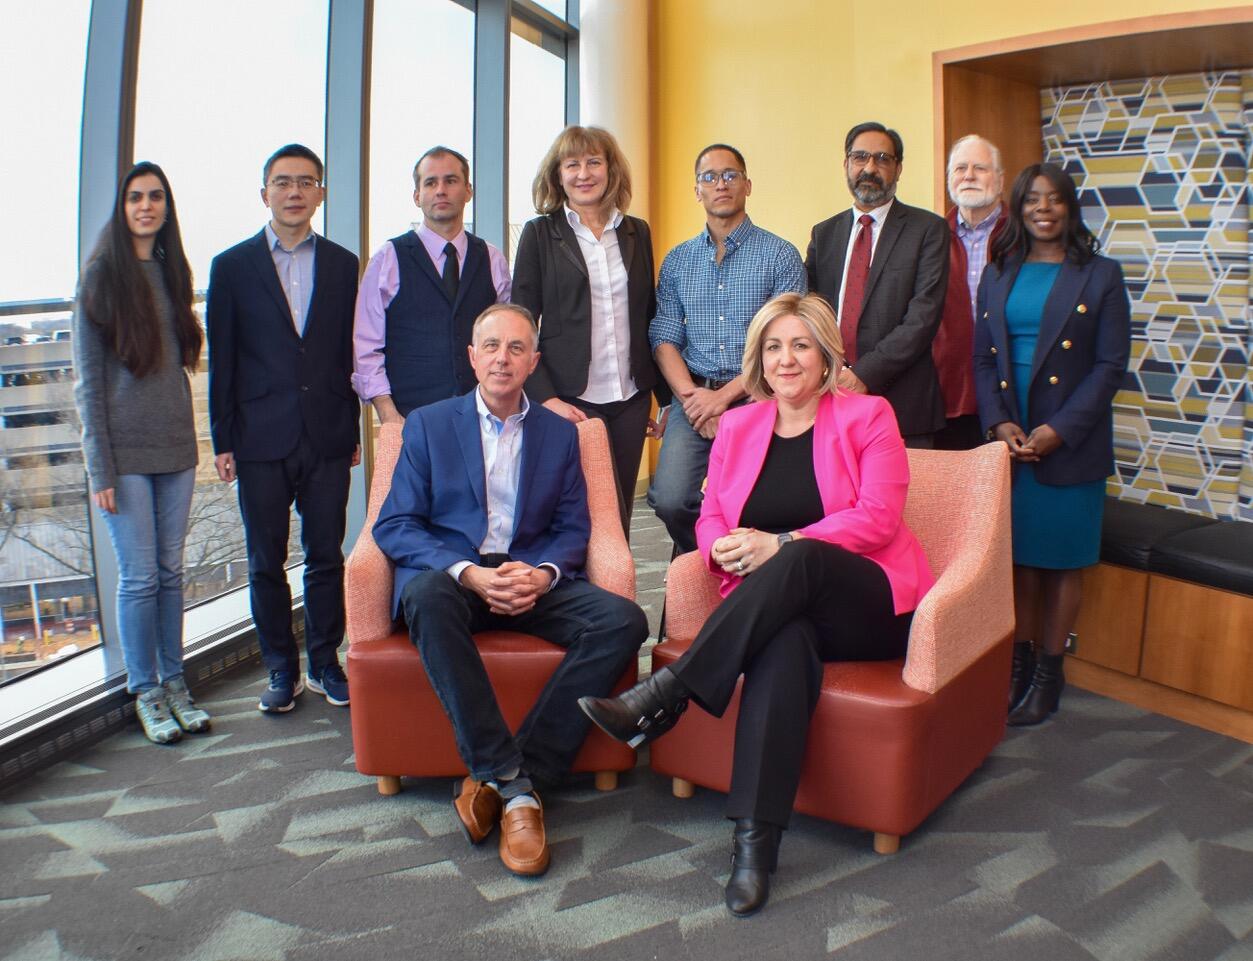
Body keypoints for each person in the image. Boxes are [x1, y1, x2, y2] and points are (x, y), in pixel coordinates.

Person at [582, 293, 934, 917]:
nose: (786, 359)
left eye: (800, 345)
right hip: (784, 609)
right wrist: (724, 547)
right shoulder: (740, 425)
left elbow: (879, 519)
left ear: (826, 356)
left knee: (797, 559)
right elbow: (710, 513)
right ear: (758, 360)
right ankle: (754, 845)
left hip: (870, 603)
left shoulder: (869, 415)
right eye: (773, 347)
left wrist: (783, 543)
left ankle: (667, 693)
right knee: (782, 641)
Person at [373, 304, 648, 878]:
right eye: (492, 346)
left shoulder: (558, 433)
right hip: (459, 580)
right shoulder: (426, 424)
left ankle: (511, 775)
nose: (503, 357)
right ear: (472, 357)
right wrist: (468, 573)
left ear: (534, 361)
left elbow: (576, 526)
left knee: (624, 621)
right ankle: (518, 789)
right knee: (423, 595)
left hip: (527, 576)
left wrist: (543, 573)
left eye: (517, 348)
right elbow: (395, 524)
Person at [973, 163, 1130, 725]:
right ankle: (1016, 664)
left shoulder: (1102, 275)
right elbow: (984, 359)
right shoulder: (998, 271)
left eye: (1055, 199)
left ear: (1070, 207)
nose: (1044, 208)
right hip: (1011, 440)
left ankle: (1048, 674)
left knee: (1062, 563)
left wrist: (1058, 431)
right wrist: (998, 425)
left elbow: (1111, 367)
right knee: (1016, 563)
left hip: (1071, 440)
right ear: (1018, 209)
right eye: (1033, 199)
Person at [207, 144, 361, 714]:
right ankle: (281, 667)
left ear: (320, 192)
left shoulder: (346, 265)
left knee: (326, 555)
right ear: (264, 192)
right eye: (283, 182)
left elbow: (354, 352)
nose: (294, 192)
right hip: (258, 438)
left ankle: (325, 662)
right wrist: (222, 438)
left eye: (306, 182)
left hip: (325, 434)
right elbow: (222, 357)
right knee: (263, 560)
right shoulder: (231, 267)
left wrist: (351, 431)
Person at [72, 161, 210, 744]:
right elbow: (87, 383)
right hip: (123, 457)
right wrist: (99, 466)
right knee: (138, 579)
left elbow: (180, 368)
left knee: (171, 573)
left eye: (156, 197)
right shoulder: (102, 277)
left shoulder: (171, 271)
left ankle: (176, 682)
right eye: (135, 197)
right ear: (122, 207)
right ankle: (146, 691)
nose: (146, 206)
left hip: (176, 448)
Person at [648, 143, 806, 554]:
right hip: (694, 397)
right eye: (709, 177)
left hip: (759, 396)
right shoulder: (678, 261)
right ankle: (708, 563)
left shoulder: (779, 255)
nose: (721, 184)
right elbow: (664, 337)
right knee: (669, 498)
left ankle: (738, 576)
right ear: (696, 190)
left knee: (755, 502)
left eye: (731, 175)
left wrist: (722, 398)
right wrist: (694, 399)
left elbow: (786, 340)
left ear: (748, 185)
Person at [512, 125, 666, 536]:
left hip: (630, 398)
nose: (584, 173)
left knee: (619, 514)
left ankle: (614, 598)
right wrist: (546, 398)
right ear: (557, 174)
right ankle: (576, 597)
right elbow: (521, 324)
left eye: (594, 162)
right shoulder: (540, 234)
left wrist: (663, 400)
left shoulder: (637, 231)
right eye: (572, 163)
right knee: (575, 511)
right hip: (570, 398)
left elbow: (648, 315)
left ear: (610, 169)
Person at [805, 122, 950, 447]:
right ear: (846, 165)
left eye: (882, 158)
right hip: (830, 399)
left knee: (908, 499)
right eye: (860, 157)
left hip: (903, 405)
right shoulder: (824, 234)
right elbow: (809, 310)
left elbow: (922, 319)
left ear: (897, 168)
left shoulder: (928, 230)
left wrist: (863, 374)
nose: (870, 167)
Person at [353, 146, 511, 423]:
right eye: (430, 182)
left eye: (450, 181)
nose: (441, 190)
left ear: (468, 191)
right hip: (410, 418)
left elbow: (507, 339)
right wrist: (387, 412)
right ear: (417, 196)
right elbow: (366, 346)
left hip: (483, 417)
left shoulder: (492, 258)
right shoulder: (387, 258)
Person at [933, 135, 1007, 450]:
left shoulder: (1023, 236)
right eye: (960, 168)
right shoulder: (930, 238)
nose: (969, 175)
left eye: (980, 168)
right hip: (948, 397)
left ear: (1000, 180)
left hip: (1011, 395)